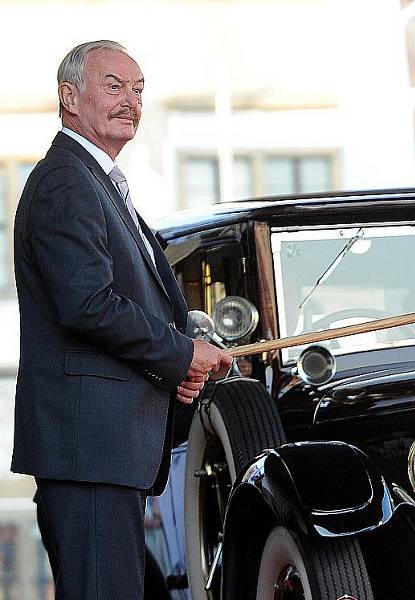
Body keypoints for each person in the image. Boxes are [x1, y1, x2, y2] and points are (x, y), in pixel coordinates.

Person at [11, 40, 232, 599]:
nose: (130, 101)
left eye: (138, 90)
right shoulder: (66, 180)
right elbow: (88, 303)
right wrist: (181, 355)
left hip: (109, 456)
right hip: (89, 454)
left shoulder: (99, 182)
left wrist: (181, 361)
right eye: (114, 86)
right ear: (69, 96)